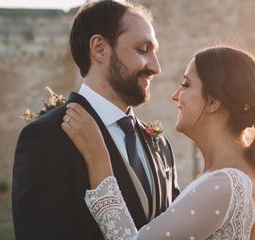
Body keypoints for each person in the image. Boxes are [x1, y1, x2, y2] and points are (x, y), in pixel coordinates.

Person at [62, 46, 255, 239]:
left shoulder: (226, 184)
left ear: (213, 102)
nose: (175, 96)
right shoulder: (234, 175)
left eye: (186, 85)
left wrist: (99, 162)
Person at [12, 1, 179, 240]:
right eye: (143, 49)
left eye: (155, 52)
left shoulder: (160, 145)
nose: (156, 67)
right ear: (99, 48)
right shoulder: (46, 137)